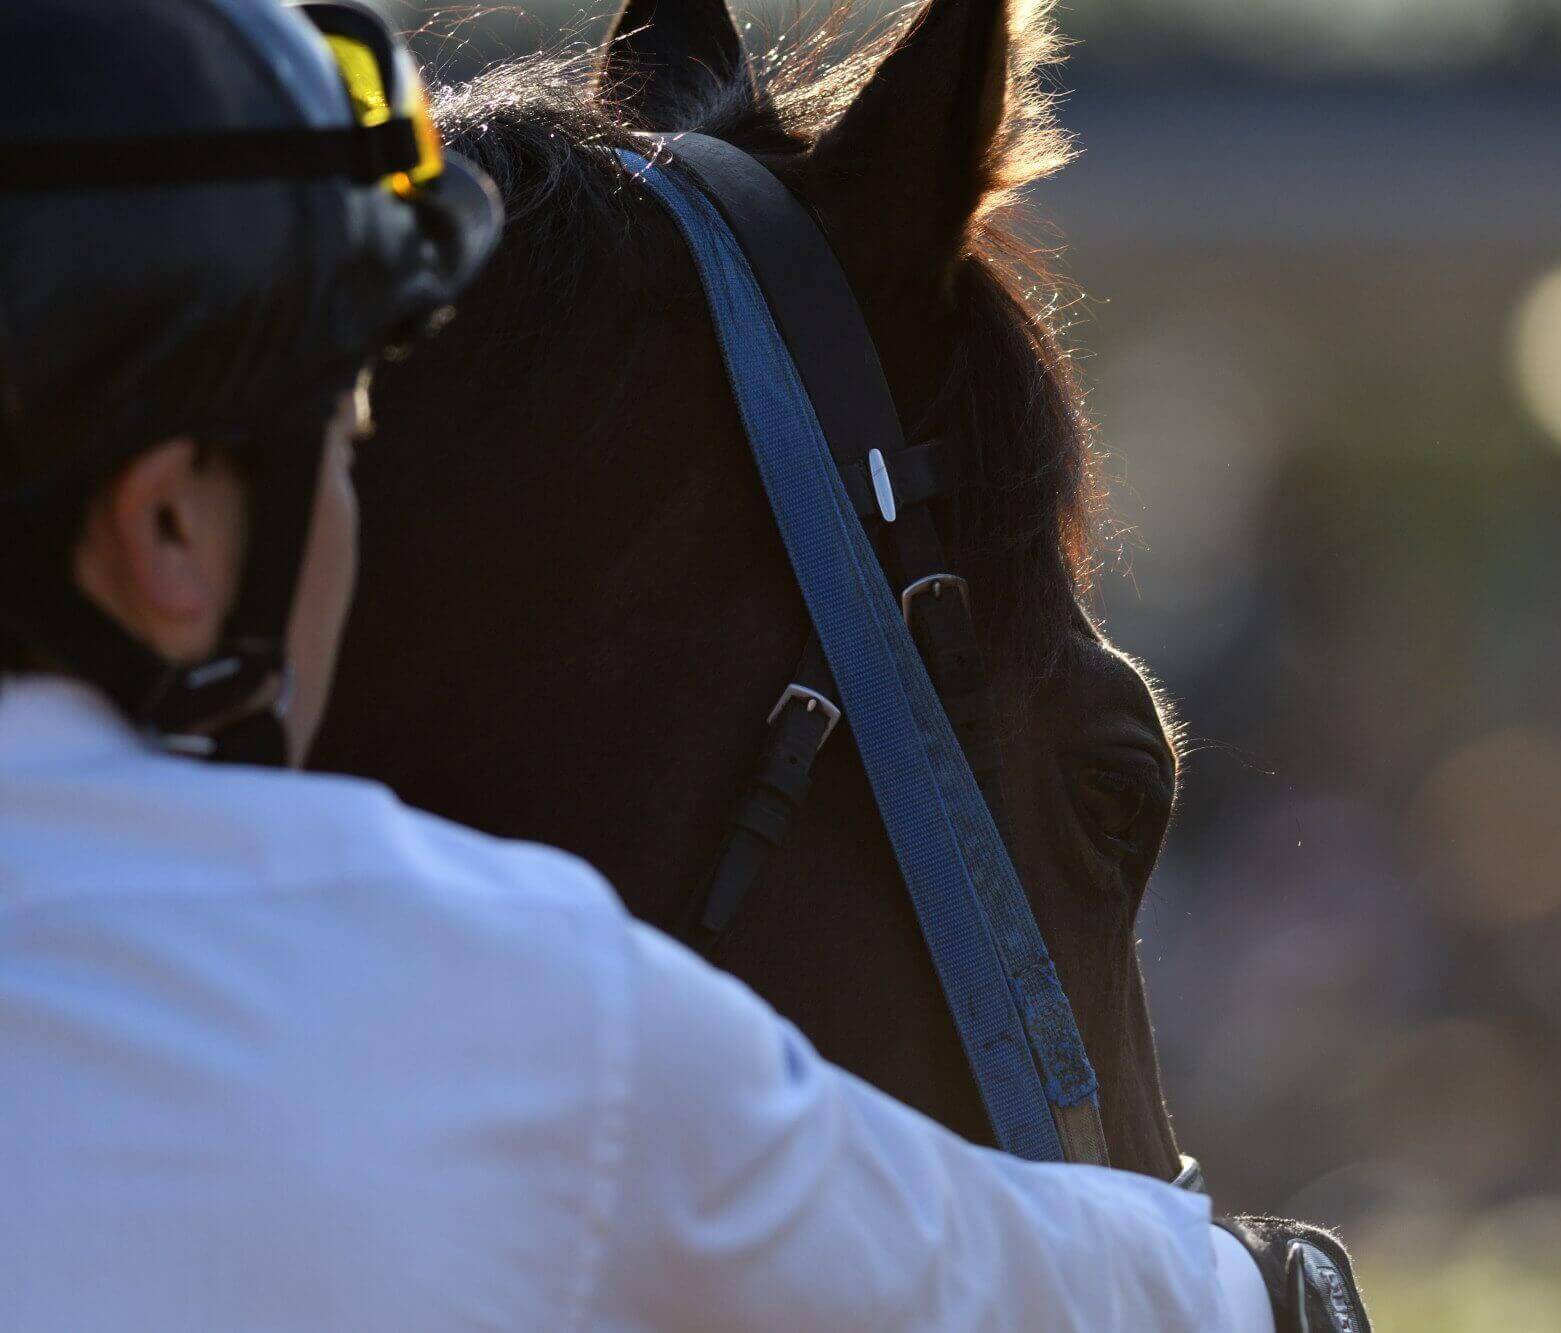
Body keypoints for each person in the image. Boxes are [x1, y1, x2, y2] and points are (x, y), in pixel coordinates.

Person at [0, 2, 1369, 1329]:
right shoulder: (513, 1020)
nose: (357, 500)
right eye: (345, 431)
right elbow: (1045, 1287)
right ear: (170, 523)